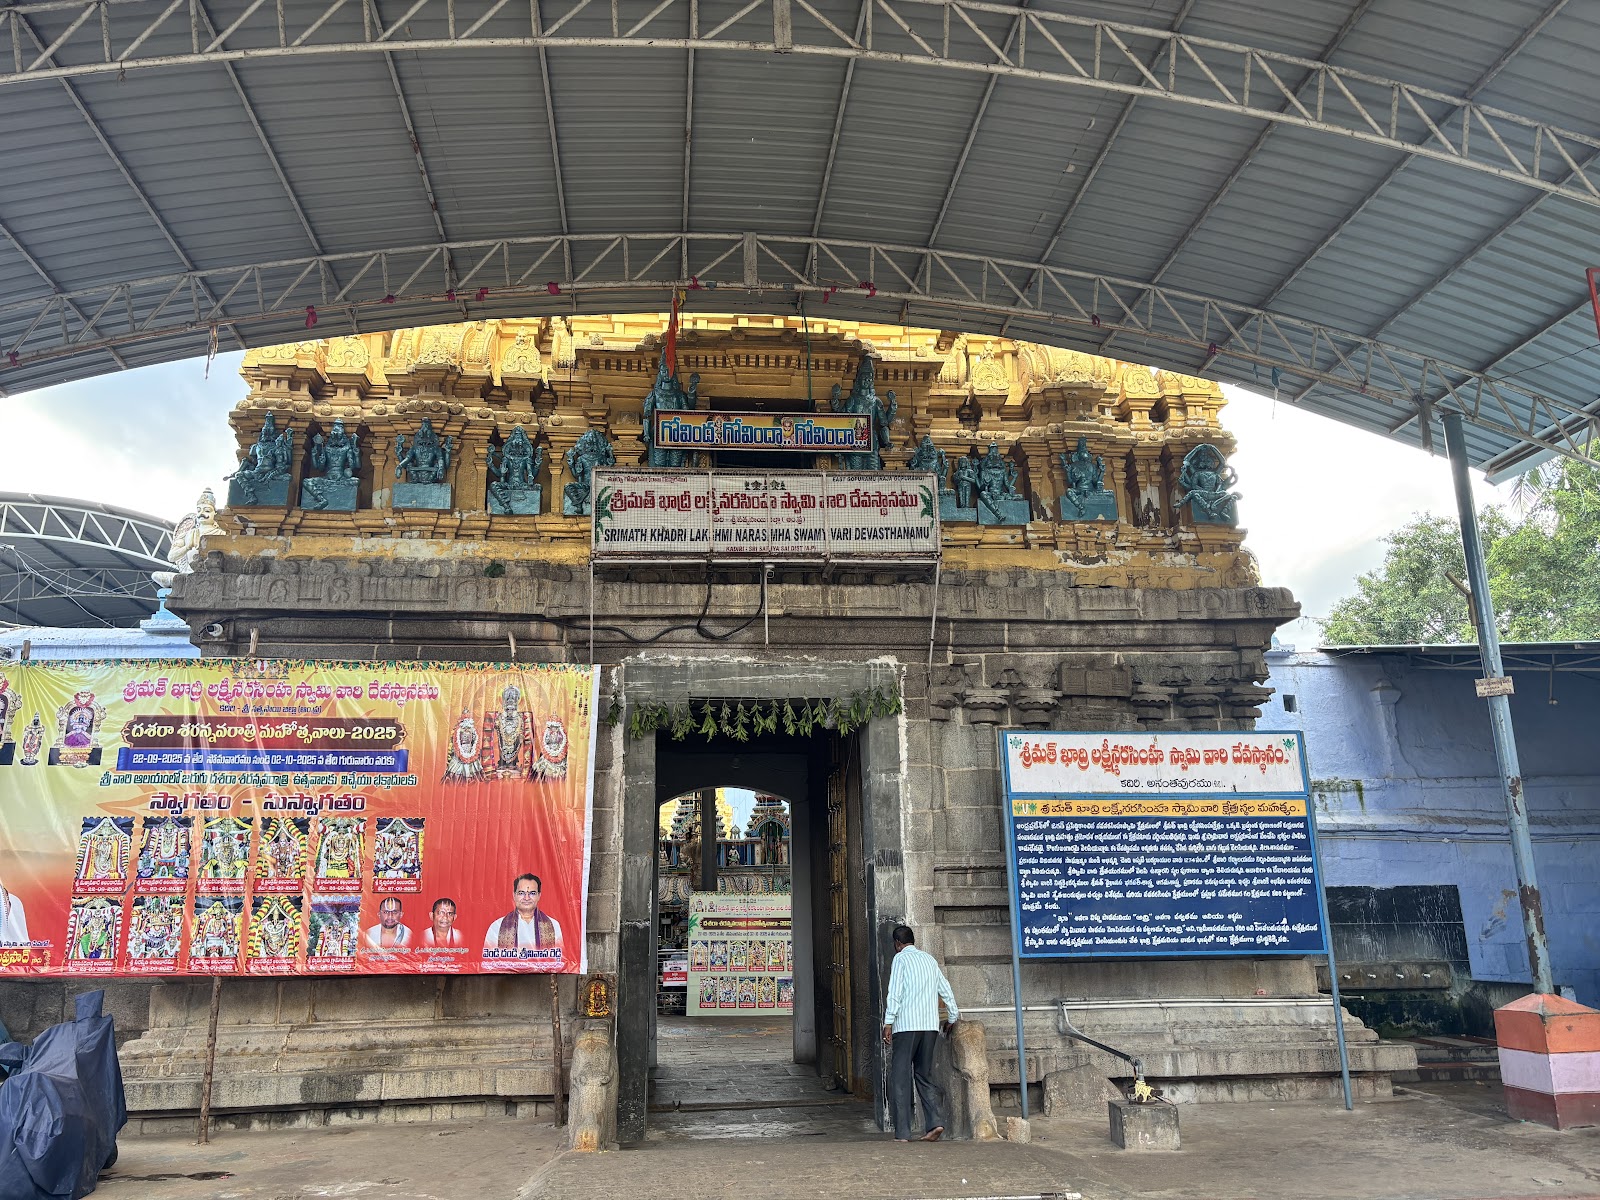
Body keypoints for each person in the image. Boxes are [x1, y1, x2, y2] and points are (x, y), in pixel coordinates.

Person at [881, 924, 958, 1143]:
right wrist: (952, 1016)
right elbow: (945, 988)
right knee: (924, 1075)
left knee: (901, 1078)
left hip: (906, 1027)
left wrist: (888, 1023)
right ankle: (936, 1122)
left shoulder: (901, 959)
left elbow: (894, 993)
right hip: (930, 1027)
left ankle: (903, 1133)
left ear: (897, 944)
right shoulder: (929, 960)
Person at [482, 872, 562, 953]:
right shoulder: (497, 927)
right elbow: (489, 962)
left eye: (532, 893)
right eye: (521, 893)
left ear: (539, 896)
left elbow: (559, 960)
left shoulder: (553, 925)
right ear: (514, 895)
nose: (526, 898)